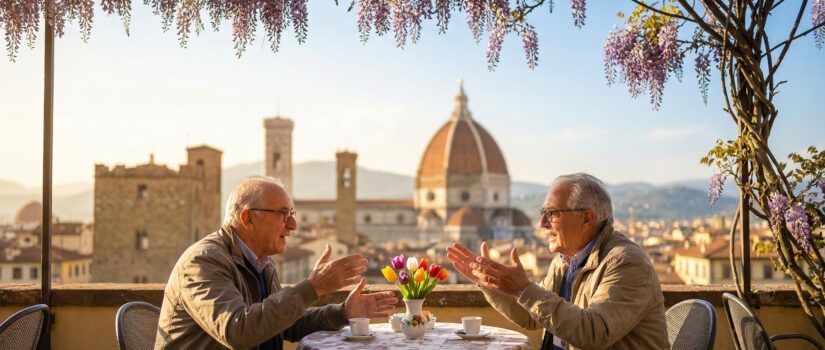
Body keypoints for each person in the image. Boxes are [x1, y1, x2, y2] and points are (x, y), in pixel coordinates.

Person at [155, 176, 397, 349]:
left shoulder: (262, 262)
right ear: (248, 218)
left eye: (291, 215)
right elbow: (237, 332)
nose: (293, 226)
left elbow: (283, 323)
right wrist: (313, 288)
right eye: (283, 214)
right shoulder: (203, 262)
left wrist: (343, 312)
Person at [447, 173, 667, 350]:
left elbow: (594, 332)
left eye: (552, 213)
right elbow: (532, 316)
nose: (542, 223)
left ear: (587, 218)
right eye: (543, 213)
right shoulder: (563, 262)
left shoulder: (626, 262)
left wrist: (524, 290)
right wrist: (491, 283)